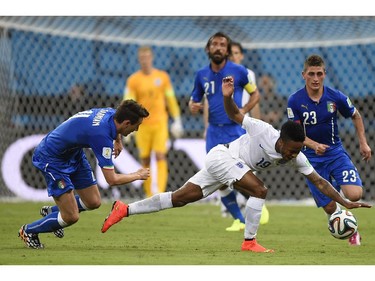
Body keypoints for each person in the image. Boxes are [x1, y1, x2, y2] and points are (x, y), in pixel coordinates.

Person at [101, 76, 371, 253]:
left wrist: (345, 203)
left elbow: (320, 182)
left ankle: (124, 209)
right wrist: (228, 97)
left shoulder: (298, 154)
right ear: (282, 140)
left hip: (229, 167)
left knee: (179, 198)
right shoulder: (264, 130)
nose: (293, 156)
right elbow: (236, 114)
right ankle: (249, 242)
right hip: (223, 157)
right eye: (291, 150)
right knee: (260, 190)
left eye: (297, 151)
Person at [18, 100, 151, 249]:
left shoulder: (112, 113)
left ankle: (53, 212)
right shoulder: (101, 136)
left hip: (73, 154)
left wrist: (118, 140)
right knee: (71, 217)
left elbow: (114, 127)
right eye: (137, 126)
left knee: (93, 202)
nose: (137, 129)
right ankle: (28, 230)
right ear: (127, 123)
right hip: (51, 159)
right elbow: (112, 179)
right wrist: (137, 175)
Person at [287, 54, 372, 246]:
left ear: (325, 74)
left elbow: (356, 116)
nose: (315, 78)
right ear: (304, 75)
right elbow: (295, 132)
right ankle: (349, 230)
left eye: (319, 74)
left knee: (355, 194)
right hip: (311, 158)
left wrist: (363, 143)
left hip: (335, 153)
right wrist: (313, 145)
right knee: (330, 206)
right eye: (311, 74)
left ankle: (344, 214)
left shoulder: (336, 97)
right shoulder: (294, 100)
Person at [188, 32, 262, 232]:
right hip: (213, 132)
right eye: (215, 44)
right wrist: (192, 106)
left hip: (235, 130)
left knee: (242, 174)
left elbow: (255, 93)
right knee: (219, 178)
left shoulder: (239, 71)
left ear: (227, 50)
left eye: (222, 44)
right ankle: (240, 219)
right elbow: (194, 100)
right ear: (208, 49)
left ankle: (257, 204)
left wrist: (244, 111)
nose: (218, 47)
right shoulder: (201, 74)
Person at [123, 45, 184, 198]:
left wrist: (176, 119)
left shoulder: (162, 77)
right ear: (139, 59)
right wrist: (126, 123)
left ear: (152, 58)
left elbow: (170, 98)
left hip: (160, 123)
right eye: (142, 58)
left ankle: (161, 193)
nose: (145, 60)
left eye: (147, 57)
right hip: (141, 125)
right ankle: (149, 193)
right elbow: (128, 101)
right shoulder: (133, 80)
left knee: (160, 155)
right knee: (144, 158)